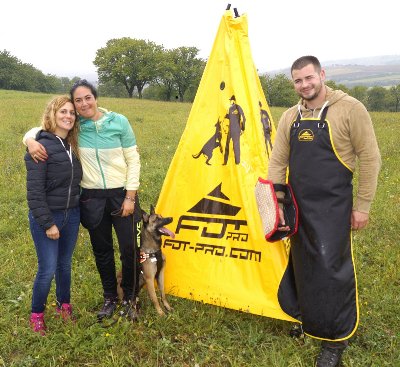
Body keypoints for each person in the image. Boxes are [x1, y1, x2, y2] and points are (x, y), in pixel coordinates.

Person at [267, 56, 381, 367]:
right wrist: (278, 202)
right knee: (302, 263)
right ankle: (308, 319)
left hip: (334, 208)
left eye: (309, 78)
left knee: (331, 269)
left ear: (322, 75)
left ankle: (335, 339)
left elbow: (370, 160)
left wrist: (363, 207)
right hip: (299, 207)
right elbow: (278, 162)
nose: (304, 85)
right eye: (298, 81)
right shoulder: (290, 116)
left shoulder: (350, 109)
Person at [23, 79, 141, 322]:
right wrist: (29, 140)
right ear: (75, 106)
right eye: (78, 100)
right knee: (102, 250)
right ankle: (110, 297)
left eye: (88, 97)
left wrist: (130, 196)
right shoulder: (77, 127)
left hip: (122, 195)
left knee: (130, 249)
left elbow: (133, 160)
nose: (84, 103)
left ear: (96, 97)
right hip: (91, 197)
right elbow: (41, 130)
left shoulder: (119, 121)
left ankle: (130, 298)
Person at [25, 96, 83, 335]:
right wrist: (48, 223)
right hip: (48, 217)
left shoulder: (72, 145)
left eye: (71, 113)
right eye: (63, 112)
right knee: (47, 269)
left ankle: (63, 305)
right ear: (52, 114)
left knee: (64, 265)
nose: (68, 116)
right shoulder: (40, 146)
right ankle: (36, 314)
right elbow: (35, 192)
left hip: (72, 214)